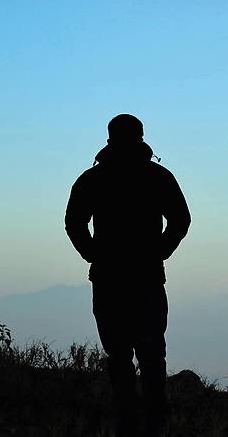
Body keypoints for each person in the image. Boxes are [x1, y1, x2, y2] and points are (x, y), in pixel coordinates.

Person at [65, 114, 191, 436]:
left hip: (110, 277)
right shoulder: (157, 176)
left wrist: (92, 253)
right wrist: (160, 250)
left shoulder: (93, 179)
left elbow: (74, 222)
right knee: (150, 351)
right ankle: (153, 417)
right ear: (141, 137)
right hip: (144, 276)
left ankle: (130, 416)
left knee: (120, 352)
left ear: (110, 139)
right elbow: (181, 220)